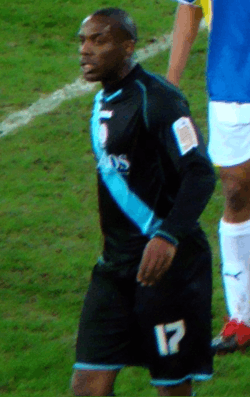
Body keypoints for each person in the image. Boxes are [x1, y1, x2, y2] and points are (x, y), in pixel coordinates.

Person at [71, 7, 215, 396]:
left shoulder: (161, 101)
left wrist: (167, 236)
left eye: (98, 41)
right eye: (83, 41)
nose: (86, 50)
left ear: (128, 47)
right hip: (114, 268)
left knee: (171, 386)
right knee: (86, 385)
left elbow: (200, 173)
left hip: (167, 269)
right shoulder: (104, 101)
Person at [167, 0, 250, 355]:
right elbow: (189, 7)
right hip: (231, 79)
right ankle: (242, 318)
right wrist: (169, 86)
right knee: (235, 190)